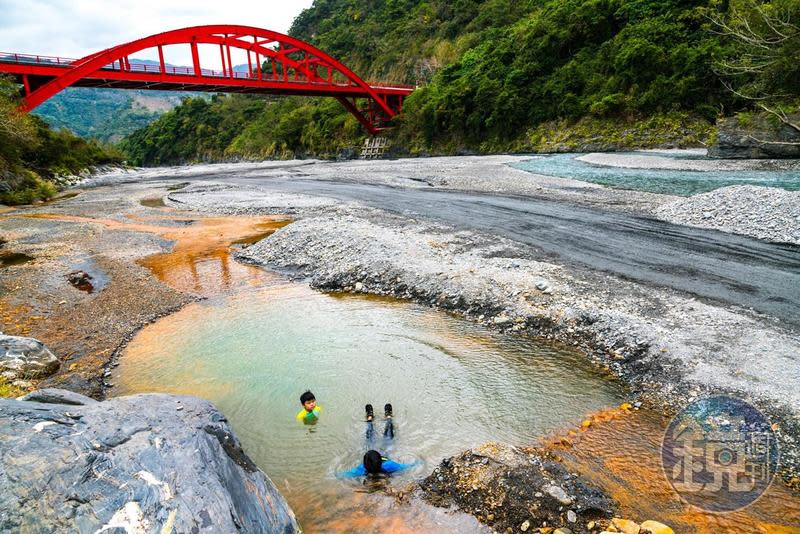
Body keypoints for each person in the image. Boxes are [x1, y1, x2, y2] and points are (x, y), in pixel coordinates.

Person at [338, 403, 417, 478]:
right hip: (384, 451)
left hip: (380, 450)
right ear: (381, 460)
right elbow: (410, 465)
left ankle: (371, 418)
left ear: (364, 465)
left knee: (371, 437)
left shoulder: (361, 470)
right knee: (383, 437)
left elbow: (343, 475)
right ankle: (387, 417)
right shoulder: (389, 465)